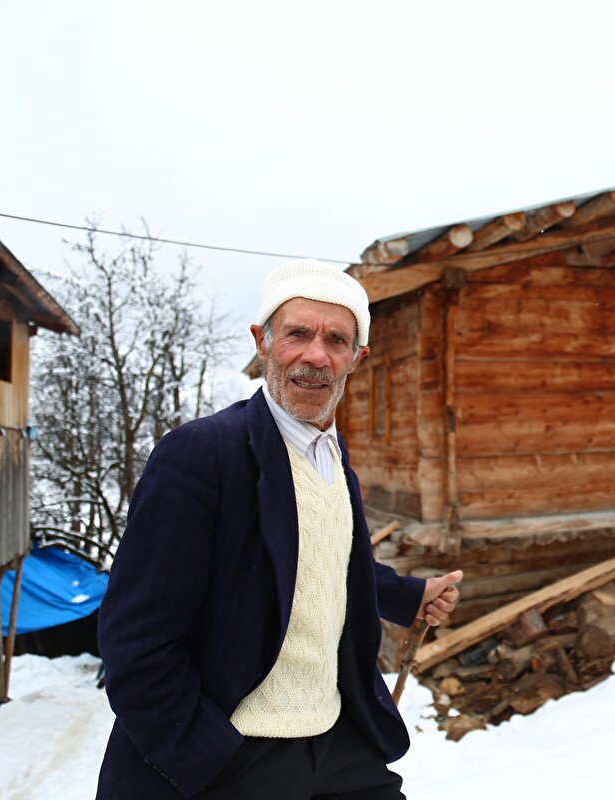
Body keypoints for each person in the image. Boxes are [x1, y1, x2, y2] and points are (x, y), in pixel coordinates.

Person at [96, 259, 462, 800]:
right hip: (235, 751)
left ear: (356, 359)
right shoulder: (203, 454)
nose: (316, 354)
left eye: (336, 339)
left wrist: (409, 595)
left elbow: (328, 560)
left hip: (337, 742)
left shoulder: (336, 464)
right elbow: (135, 642)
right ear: (262, 343)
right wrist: (205, 756)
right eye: (298, 333)